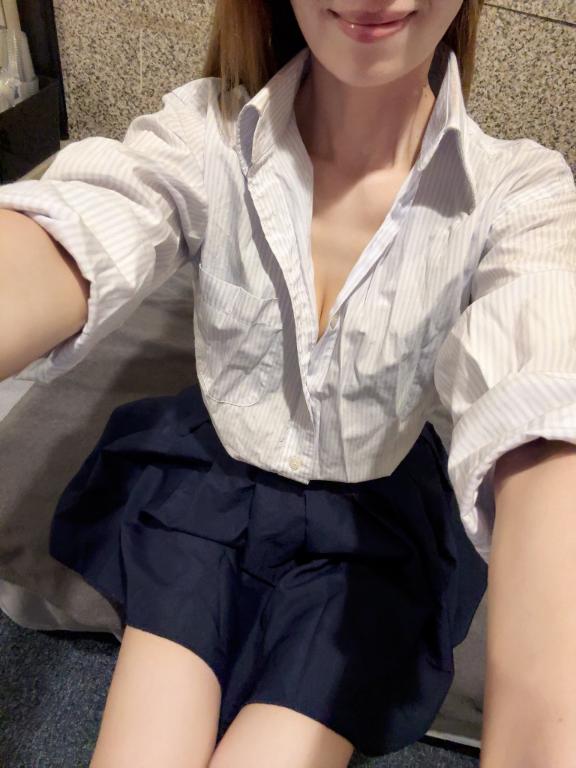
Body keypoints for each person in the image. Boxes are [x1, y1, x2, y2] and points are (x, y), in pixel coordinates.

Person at [0, 0, 575, 766]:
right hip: (205, 494)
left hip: (366, 539)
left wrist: (544, 711)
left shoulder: (519, 191)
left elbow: (542, 388)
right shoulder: (207, 131)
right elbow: (90, 214)